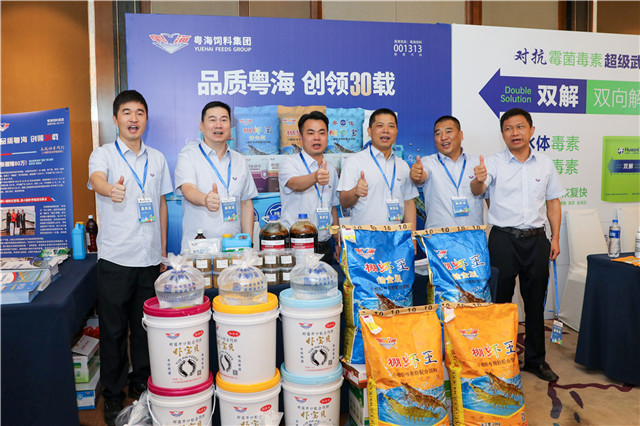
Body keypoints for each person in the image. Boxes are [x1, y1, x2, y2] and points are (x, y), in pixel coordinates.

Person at [88, 90, 173, 425]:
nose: (133, 118)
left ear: (146, 119)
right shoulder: (103, 155)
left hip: (149, 259)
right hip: (116, 259)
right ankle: (112, 394)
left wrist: (162, 252)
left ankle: (141, 384)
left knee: (143, 329)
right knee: (112, 331)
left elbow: (161, 204)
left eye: (139, 112)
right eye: (126, 112)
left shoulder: (158, 158)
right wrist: (111, 189)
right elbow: (96, 180)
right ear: (115, 119)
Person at [471, 107, 563, 382]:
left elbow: (553, 202)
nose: (515, 133)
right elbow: (478, 190)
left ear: (531, 130)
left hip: (536, 240)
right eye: (508, 128)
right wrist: (478, 180)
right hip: (503, 240)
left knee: (535, 304)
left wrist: (555, 237)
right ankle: (499, 359)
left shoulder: (545, 164)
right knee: (500, 303)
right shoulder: (494, 163)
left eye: (520, 127)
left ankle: (536, 360)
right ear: (502, 134)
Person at [175, 101, 257, 252]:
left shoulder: (240, 160)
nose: (218, 125)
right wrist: (205, 199)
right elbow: (188, 189)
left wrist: (248, 245)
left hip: (234, 249)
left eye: (223, 120)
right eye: (212, 120)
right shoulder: (187, 157)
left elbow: (246, 204)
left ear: (230, 126)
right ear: (201, 126)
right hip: (199, 250)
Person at [338, 108, 418, 230]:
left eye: (391, 126)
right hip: (365, 236)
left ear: (396, 131)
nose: (385, 130)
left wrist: (412, 236)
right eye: (380, 126)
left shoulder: (403, 165)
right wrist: (355, 192)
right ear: (369, 131)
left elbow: (408, 202)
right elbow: (344, 202)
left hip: (396, 237)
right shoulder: (354, 162)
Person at [279, 111, 340, 263]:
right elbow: (295, 184)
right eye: (311, 133)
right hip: (297, 244)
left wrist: (337, 240)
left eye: (322, 133)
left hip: (324, 245)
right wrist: (315, 177)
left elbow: (332, 207)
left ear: (327, 136)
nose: (317, 138)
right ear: (301, 137)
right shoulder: (289, 163)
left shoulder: (331, 169)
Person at [410, 115, 485, 228]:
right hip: (439, 235)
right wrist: (417, 174)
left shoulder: (477, 163)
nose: (443, 137)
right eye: (438, 133)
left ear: (460, 135)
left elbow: (487, 194)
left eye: (448, 131)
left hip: (473, 233)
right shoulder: (428, 162)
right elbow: (421, 177)